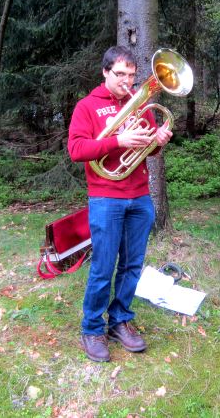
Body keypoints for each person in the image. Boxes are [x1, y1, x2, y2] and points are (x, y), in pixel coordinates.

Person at [68, 45, 172, 362]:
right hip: (106, 198)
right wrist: (117, 141)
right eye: (120, 75)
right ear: (105, 72)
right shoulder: (87, 107)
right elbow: (76, 149)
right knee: (103, 267)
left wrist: (158, 142)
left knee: (131, 265)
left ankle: (120, 320)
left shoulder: (139, 104)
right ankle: (91, 328)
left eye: (131, 75)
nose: (127, 82)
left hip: (139, 197)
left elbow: (148, 150)